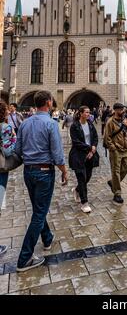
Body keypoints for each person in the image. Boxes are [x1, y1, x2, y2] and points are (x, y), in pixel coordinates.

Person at [15, 91, 68, 272]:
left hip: (28, 172)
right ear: (48, 102)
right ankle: (24, 258)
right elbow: (57, 154)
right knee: (39, 213)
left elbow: (17, 149)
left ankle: (47, 238)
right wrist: (64, 172)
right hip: (45, 171)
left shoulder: (24, 123)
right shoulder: (51, 124)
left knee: (39, 208)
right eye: (52, 101)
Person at [69, 106, 99, 213]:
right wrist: (89, 148)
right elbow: (76, 142)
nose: (88, 114)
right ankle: (84, 202)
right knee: (82, 178)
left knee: (88, 176)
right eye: (86, 112)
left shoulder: (90, 124)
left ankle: (77, 190)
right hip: (78, 155)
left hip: (90, 154)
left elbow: (95, 137)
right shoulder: (75, 126)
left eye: (89, 112)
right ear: (81, 113)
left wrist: (93, 148)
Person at [104, 103, 127, 205]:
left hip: (124, 149)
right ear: (115, 110)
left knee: (126, 168)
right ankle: (117, 193)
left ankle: (112, 182)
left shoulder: (124, 120)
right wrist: (113, 148)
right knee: (116, 171)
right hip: (115, 150)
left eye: (123, 109)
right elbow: (107, 138)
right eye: (120, 110)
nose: (122, 111)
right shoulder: (110, 122)